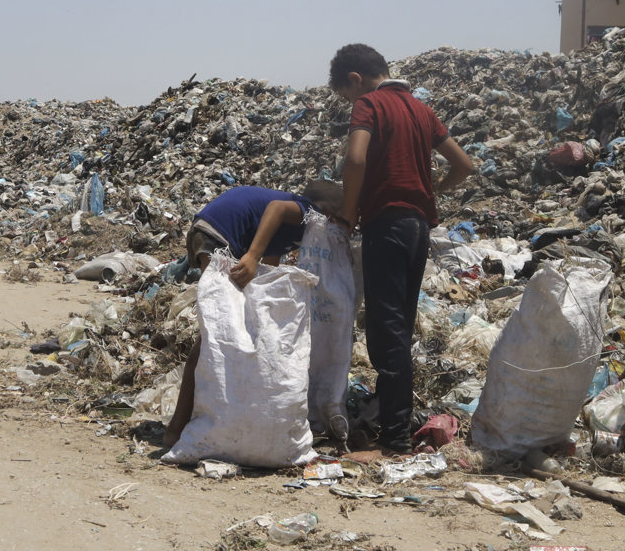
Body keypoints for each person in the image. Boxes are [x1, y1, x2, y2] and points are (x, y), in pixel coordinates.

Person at [328, 43, 474, 454]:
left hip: (386, 226)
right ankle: (398, 426)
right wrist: (432, 193)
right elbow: (463, 165)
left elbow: (355, 160)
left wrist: (349, 214)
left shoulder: (370, 105)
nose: (350, 103)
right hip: (417, 228)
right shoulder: (420, 108)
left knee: (385, 332)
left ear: (355, 80)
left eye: (347, 95)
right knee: (400, 330)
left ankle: (393, 440)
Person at [163, 180, 345, 448]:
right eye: (340, 220)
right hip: (220, 235)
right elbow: (275, 209)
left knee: (229, 329)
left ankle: (216, 420)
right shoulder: (308, 214)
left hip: (217, 232)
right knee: (215, 334)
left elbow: (269, 267)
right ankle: (176, 429)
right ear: (329, 212)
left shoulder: (294, 233)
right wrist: (252, 256)